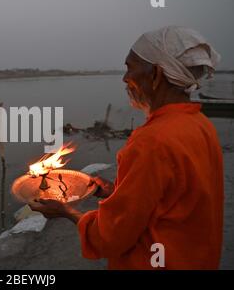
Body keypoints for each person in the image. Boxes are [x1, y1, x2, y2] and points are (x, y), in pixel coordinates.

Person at [30, 26, 224, 269]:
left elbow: (110, 238)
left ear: (156, 75)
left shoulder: (151, 141)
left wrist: (67, 211)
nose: (125, 78)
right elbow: (172, 200)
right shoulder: (200, 124)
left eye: (130, 67)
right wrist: (114, 193)